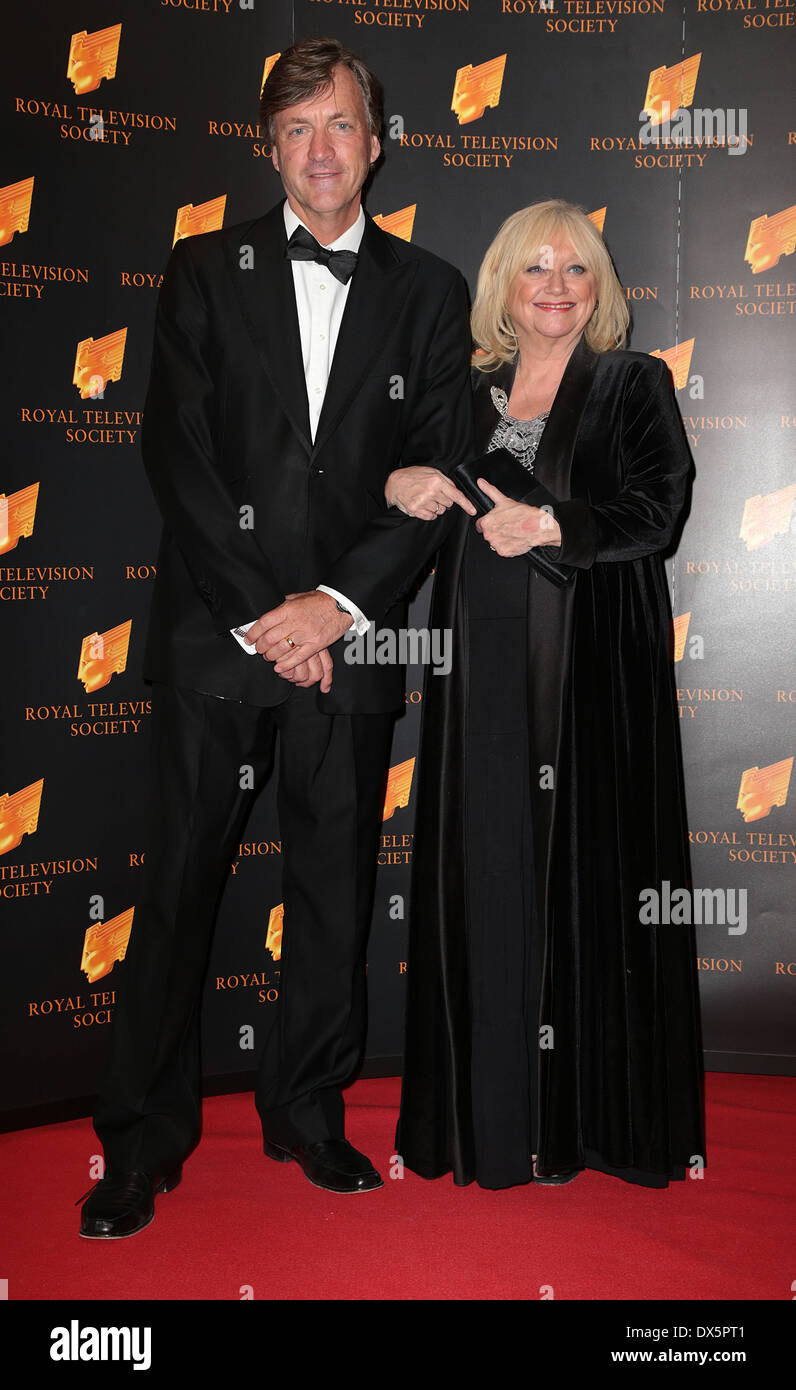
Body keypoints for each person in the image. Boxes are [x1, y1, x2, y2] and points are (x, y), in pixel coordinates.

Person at [79, 37, 473, 1238]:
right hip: (217, 639)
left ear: (378, 139)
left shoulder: (432, 293)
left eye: (342, 125)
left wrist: (336, 610)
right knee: (179, 894)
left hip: (347, 645)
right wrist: (270, 613)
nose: (321, 151)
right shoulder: (203, 269)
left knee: (333, 896)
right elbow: (177, 457)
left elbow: (438, 469)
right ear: (268, 146)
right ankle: (141, 1143)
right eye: (298, 129)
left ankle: (308, 1113)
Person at [390, 200, 705, 1190]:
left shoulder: (628, 382)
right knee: (485, 866)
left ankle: (576, 1122)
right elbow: (424, 495)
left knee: (575, 876)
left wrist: (553, 528)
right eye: (535, 269)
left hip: (584, 679)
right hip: (476, 665)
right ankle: (490, 1122)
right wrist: (403, 483)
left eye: (576, 270)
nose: (556, 287)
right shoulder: (468, 389)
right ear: (503, 288)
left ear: (599, 287)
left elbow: (655, 511)